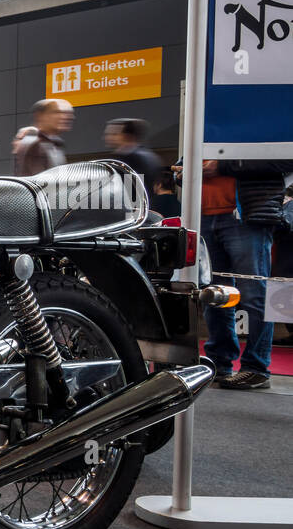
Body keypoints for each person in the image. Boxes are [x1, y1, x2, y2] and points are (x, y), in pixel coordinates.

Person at [182, 158, 290, 390]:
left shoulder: (255, 136)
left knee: (254, 294)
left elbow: (284, 160)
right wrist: (182, 172)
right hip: (204, 215)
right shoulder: (206, 133)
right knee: (214, 295)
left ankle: (256, 367)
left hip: (245, 216)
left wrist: (222, 166)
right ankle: (220, 362)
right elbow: (184, 163)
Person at [14, 99, 73, 176]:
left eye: (68, 113)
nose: (66, 117)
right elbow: (37, 180)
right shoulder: (33, 143)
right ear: (40, 116)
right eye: (57, 112)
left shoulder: (55, 143)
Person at [104, 117, 162, 188]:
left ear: (126, 136)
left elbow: (131, 190)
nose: (108, 138)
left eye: (114, 134)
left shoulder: (132, 160)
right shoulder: (148, 156)